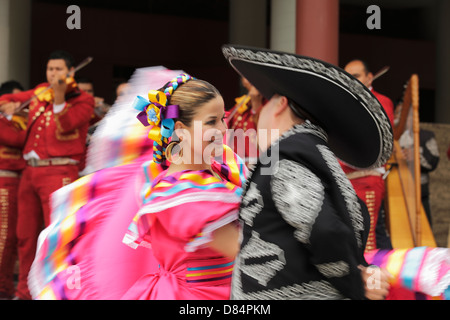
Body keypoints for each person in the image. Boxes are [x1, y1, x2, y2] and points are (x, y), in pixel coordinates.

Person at [29, 73, 247, 300]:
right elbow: (243, 252)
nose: (223, 129)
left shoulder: (217, 167)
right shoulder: (184, 192)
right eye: (212, 121)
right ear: (181, 129)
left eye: (223, 118)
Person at [223, 45, 394, 300]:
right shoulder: (320, 161)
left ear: (280, 104)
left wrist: (354, 284)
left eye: (266, 104)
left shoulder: (286, 158)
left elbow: (324, 229)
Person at [0, 50, 95, 299]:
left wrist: (61, 95)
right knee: (25, 236)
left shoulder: (83, 100)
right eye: (50, 69)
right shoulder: (42, 90)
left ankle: (59, 291)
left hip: (59, 169)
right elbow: (11, 96)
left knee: (59, 236)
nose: (53, 74)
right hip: (31, 171)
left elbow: (65, 124)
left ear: (70, 72)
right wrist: (8, 104)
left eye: (58, 70)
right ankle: (24, 292)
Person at [341, 59, 395, 251]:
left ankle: (379, 278)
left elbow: (380, 136)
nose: (351, 80)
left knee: (368, 240)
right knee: (350, 237)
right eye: (348, 76)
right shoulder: (342, 102)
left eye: (356, 76)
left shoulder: (382, 101)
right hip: (343, 180)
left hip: (366, 179)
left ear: (370, 77)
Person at [0, 81, 26, 299]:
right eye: (15, 101)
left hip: (19, 182)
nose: (21, 106)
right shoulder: (5, 122)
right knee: (4, 236)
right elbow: (15, 139)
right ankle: (2, 286)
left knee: (17, 236)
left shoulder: (17, 120)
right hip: (4, 183)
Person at [226, 77, 267, 166]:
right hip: (239, 165)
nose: (251, 79)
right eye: (246, 76)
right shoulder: (240, 106)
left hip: (262, 164)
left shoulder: (273, 104)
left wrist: (257, 104)